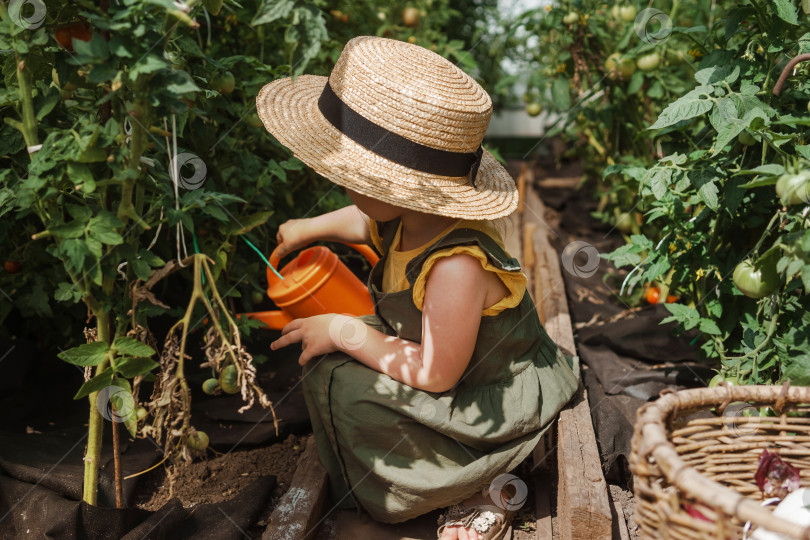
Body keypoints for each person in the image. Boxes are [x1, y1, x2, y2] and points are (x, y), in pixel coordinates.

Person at [257, 35, 580, 540]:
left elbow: (435, 374)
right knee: (326, 370)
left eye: (356, 177)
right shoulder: (405, 216)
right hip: (450, 367)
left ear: (399, 186)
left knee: (352, 391)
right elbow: (364, 221)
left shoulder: (455, 264)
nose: (347, 186)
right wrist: (309, 225)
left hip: (486, 394)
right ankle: (418, 467)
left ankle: (476, 482)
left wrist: (344, 330)